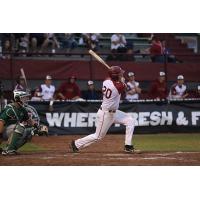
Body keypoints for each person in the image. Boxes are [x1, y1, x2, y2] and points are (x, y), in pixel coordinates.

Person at [69, 66, 138, 153]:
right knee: (98, 136)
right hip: (106, 114)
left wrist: (118, 76)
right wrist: (122, 80)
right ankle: (76, 144)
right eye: (120, 73)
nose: (121, 74)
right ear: (115, 76)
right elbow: (125, 87)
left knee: (130, 120)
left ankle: (128, 146)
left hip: (114, 112)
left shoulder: (106, 81)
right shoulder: (117, 87)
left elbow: (114, 79)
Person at [0, 90, 48, 155]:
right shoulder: (10, 109)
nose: (25, 99)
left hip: (11, 130)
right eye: (23, 98)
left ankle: (11, 149)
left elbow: (29, 120)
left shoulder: (23, 109)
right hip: (2, 131)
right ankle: (8, 150)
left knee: (30, 133)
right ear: (17, 98)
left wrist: (37, 127)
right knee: (20, 126)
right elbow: (1, 122)